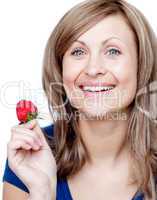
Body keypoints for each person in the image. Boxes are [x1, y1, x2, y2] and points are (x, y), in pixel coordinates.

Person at [2, 0, 157, 199]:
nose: (93, 69)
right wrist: (41, 191)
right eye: (78, 52)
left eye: (113, 51)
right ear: (60, 68)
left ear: (141, 64)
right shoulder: (30, 155)